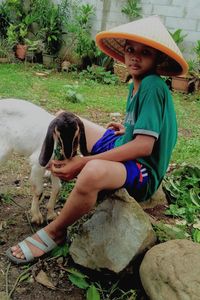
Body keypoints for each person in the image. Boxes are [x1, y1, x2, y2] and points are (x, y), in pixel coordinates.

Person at [6, 15, 188, 264]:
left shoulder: (153, 86)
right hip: (124, 145)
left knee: (90, 171)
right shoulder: (136, 82)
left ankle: (55, 230)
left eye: (145, 52)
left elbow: (145, 145)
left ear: (158, 58)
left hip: (143, 170)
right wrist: (127, 129)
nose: (135, 56)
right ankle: (64, 167)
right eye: (130, 49)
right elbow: (146, 129)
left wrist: (85, 162)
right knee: (65, 118)